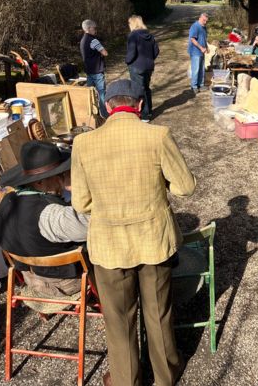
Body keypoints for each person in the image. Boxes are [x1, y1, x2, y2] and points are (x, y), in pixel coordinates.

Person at [71, 79, 196, 386]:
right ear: (140, 105)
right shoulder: (158, 135)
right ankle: (167, 374)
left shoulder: (83, 143)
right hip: (154, 241)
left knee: (118, 321)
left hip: (108, 246)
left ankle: (126, 380)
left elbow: (81, 203)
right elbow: (185, 187)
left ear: (107, 107)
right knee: (158, 313)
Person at [0, 141, 89, 297]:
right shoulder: (52, 215)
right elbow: (94, 225)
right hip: (63, 283)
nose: (65, 177)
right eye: (60, 175)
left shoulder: (5, 201)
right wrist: (78, 189)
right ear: (39, 182)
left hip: (30, 277)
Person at [125, 15, 159, 123]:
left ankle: (144, 116)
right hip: (149, 66)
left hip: (137, 66)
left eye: (129, 23)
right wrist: (150, 59)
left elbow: (132, 53)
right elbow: (156, 51)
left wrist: (127, 61)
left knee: (139, 90)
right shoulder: (149, 35)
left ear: (133, 24)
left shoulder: (132, 35)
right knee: (146, 88)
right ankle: (149, 111)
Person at [80, 19, 109, 118]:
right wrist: (101, 54)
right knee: (101, 92)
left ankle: (92, 112)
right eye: (95, 28)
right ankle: (104, 113)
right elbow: (105, 53)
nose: (96, 31)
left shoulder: (82, 40)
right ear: (90, 29)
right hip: (97, 70)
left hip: (88, 70)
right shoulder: (93, 40)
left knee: (90, 92)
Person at [188, 12, 210, 94]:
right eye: (204, 20)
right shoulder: (195, 26)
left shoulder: (204, 27)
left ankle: (201, 84)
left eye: (206, 21)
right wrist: (201, 48)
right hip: (195, 52)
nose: (205, 22)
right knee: (196, 69)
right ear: (200, 18)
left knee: (201, 69)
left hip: (202, 51)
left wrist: (207, 47)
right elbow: (192, 39)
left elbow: (204, 39)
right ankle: (194, 86)